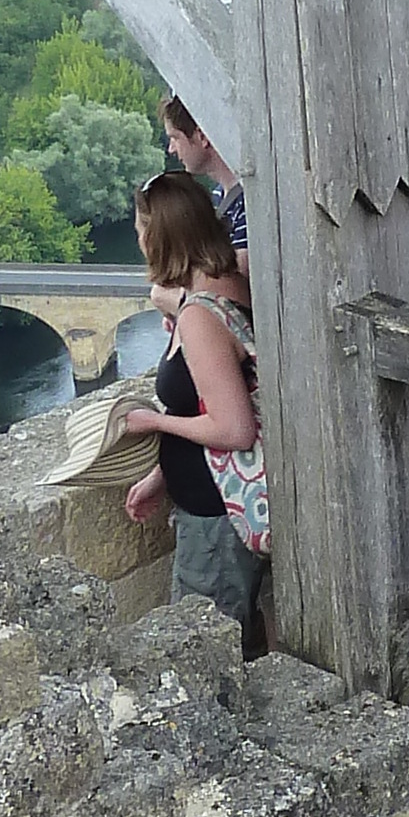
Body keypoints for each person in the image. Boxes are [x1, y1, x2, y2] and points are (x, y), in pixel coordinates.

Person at [120, 169, 263, 639]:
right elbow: (209, 402)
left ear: (161, 237)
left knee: (203, 652)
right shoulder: (222, 291)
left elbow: (235, 428)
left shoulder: (201, 316)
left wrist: (154, 421)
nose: (139, 242)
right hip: (209, 503)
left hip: (214, 516)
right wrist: (161, 475)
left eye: (142, 232)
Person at [159, 98, 247, 284]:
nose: (171, 149)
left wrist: (173, 299)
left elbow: (238, 278)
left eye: (175, 138)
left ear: (202, 136)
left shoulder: (248, 204)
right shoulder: (217, 197)